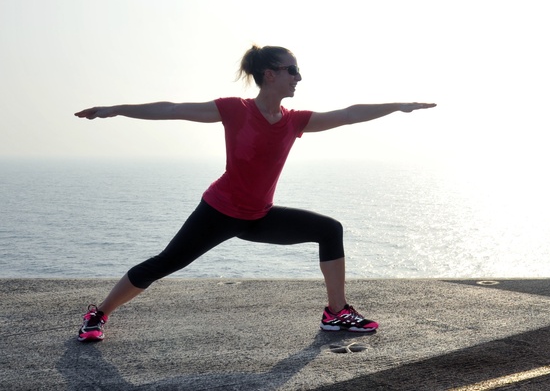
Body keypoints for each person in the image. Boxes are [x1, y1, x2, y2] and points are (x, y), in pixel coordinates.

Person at [74, 45, 436, 342]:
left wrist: (398, 106)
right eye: (292, 70)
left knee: (329, 229)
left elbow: (349, 114)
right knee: (165, 264)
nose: (298, 77)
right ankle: (99, 314)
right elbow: (172, 109)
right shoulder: (236, 110)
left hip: (258, 216)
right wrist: (115, 110)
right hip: (218, 212)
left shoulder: (295, 121)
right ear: (270, 74)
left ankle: (336, 313)